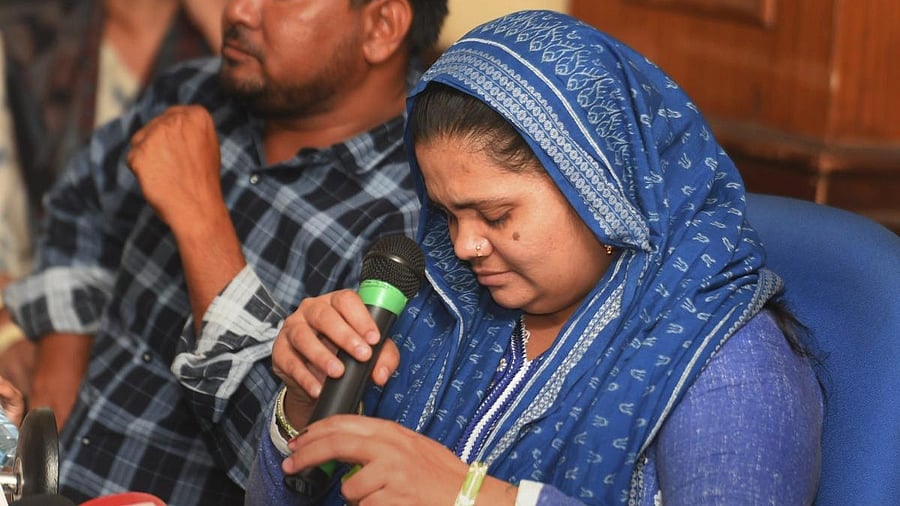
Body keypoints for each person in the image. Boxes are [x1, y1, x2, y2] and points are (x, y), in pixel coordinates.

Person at [246, 10, 824, 506]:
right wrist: (304, 407)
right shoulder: (442, 303)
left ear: (602, 191)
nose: (463, 246)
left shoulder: (729, 362)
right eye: (447, 215)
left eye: (495, 216)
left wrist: (474, 496)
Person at [1, 0, 448, 504]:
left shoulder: (416, 225)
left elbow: (298, 469)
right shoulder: (193, 90)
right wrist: (57, 374)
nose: (237, 11)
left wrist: (200, 221)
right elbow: (81, 206)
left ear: (381, 26)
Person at [0, 0, 226, 379]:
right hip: (35, 324)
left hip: (161, 347)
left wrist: (223, 27)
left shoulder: (235, 39)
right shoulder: (22, 37)